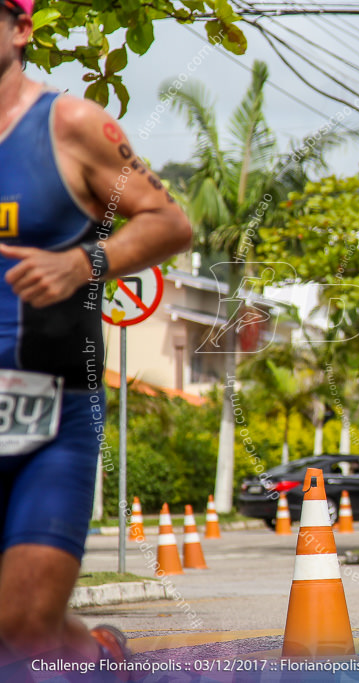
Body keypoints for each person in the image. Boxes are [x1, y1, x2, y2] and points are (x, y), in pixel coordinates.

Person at [0, 0, 192, 668]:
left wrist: (85, 261)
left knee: (23, 624)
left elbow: (169, 221)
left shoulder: (71, 124)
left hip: (52, 412)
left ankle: (104, 659)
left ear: (21, 28)